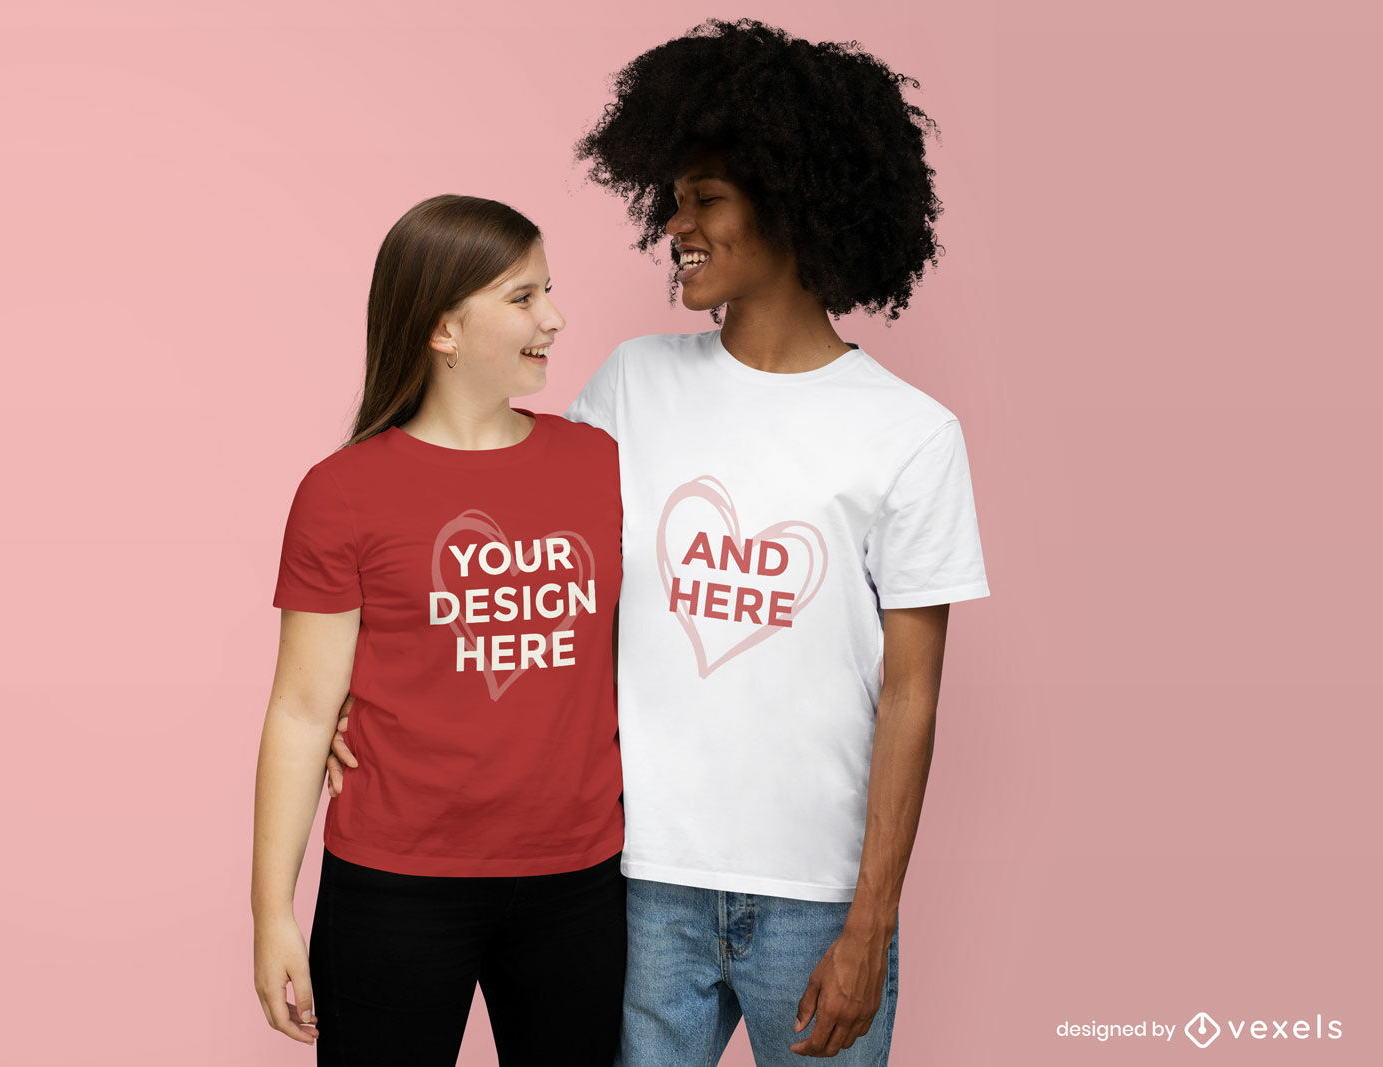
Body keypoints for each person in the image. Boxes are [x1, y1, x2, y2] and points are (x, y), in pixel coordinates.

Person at [330, 18, 990, 1065]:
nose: (672, 225)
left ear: (789, 202)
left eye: (704, 199)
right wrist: (364, 692)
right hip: (638, 889)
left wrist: (870, 921)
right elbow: (500, 549)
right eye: (671, 197)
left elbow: (912, 694)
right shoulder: (630, 389)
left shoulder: (910, 434)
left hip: (815, 902)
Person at [251, 194, 627, 1067]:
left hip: (578, 878)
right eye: (523, 298)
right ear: (444, 330)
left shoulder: (598, 461)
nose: (554, 318)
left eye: (550, 292)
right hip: (396, 882)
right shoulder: (342, 491)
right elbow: (304, 711)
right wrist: (272, 912)